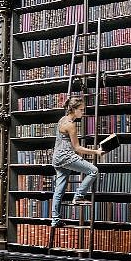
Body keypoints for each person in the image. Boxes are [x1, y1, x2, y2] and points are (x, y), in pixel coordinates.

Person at [51, 96, 104, 228]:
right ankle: (79, 196)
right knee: (94, 170)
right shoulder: (71, 125)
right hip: (66, 157)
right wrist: (96, 152)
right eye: (81, 109)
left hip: (57, 158)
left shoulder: (62, 120)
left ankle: (55, 220)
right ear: (74, 110)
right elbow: (77, 148)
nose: (83, 112)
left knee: (59, 190)